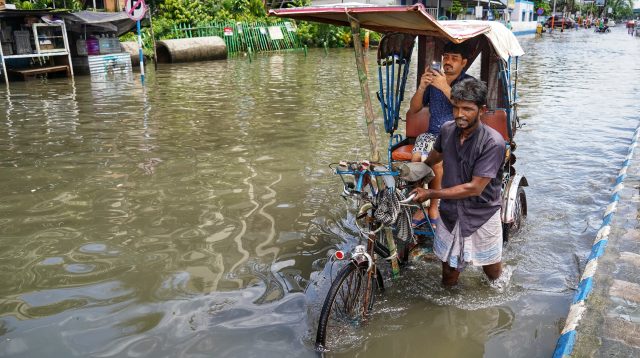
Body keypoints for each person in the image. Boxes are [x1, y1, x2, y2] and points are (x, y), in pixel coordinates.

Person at [410, 77, 506, 287]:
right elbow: (434, 159)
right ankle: (446, 312)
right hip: (451, 212)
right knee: (448, 273)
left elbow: (474, 188)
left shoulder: (493, 142)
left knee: (491, 272)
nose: (459, 114)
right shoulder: (447, 130)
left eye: (467, 109)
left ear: (481, 110)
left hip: (482, 213)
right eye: (456, 107)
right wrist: (412, 176)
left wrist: (430, 194)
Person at [406, 42, 474, 228]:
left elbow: (467, 109)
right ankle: (421, 204)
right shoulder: (433, 83)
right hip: (432, 134)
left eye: (454, 58)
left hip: (458, 135)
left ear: (464, 63)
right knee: (416, 160)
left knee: (437, 161)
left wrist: (444, 85)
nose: (448, 62)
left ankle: (434, 206)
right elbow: (414, 109)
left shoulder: (468, 83)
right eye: (446, 57)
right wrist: (422, 87)